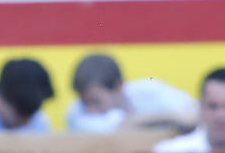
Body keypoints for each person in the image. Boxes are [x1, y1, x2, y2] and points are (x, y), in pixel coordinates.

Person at [64, 53, 197, 135]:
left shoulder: (150, 90)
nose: (89, 109)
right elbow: (118, 130)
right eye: (85, 102)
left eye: (95, 101)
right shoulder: (75, 113)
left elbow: (194, 115)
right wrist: (170, 117)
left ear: (118, 86)